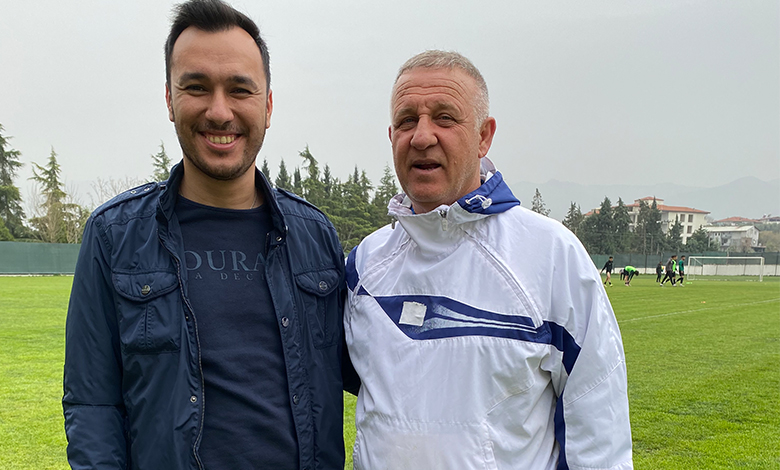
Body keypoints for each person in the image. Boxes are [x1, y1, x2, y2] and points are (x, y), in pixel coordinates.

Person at [62, 1, 357, 469]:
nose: (219, 112)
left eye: (240, 89)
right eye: (197, 87)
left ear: (268, 105)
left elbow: (378, 368)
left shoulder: (314, 234)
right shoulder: (114, 236)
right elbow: (93, 404)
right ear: (169, 99)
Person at [344, 50, 633, 470]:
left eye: (444, 118)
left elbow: (599, 434)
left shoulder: (552, 255)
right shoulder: (364, 265)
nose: (422, 137)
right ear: (392, 136)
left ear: (484, 136)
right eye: (407, 121)